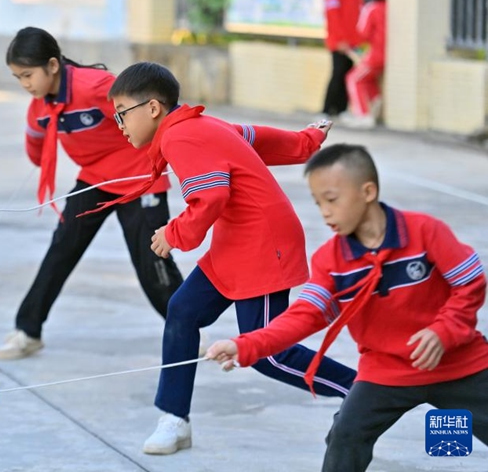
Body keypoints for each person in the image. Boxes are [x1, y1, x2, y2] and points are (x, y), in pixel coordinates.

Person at [92, 62, 356, 455]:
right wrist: (306, 139)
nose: (118, 124)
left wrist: (173, 233)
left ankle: (364, 393)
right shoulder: (201, 125)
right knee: (182, 310)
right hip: (235, 244)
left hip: (265, 246)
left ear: (152, 108)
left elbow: (210, 197)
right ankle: (174, 419)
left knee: (269, 352)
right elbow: (259, 139)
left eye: (121, 113)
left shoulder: (180, 138)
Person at [207, 143, 488, 471]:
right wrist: (245, 345)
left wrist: (444, 331)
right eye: (318, 203)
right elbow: (304, 316)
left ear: (367, 191)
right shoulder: (331, 259)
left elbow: (470, 282)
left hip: (459, 363)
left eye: (332, 199)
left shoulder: (425, 231)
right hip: (385, 370)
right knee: (345, 437)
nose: (324, 212)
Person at [0, 26, 185, 360]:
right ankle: (28, 330)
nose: (25, 84)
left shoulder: (97, 87)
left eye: (28, 75)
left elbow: (151, 107)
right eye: (17, 78)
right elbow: (36, 152)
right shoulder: (39, 107)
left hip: (140, 176)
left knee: (152, 260)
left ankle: (186, 329)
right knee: (61, 249)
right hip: (94, 181)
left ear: (53, 65)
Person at [322, 0, 362, 118]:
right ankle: (328, 109)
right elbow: (332, 14)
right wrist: (339, 40)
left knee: (346, 71)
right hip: (339, 41)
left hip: (352, 40)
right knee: (338, 72)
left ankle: (341, 109)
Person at [344, 0, 386, 128]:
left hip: (375, 55)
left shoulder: (372, 8)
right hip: (390, 56)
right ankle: (376, 102)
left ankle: (363, 115)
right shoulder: (392, 8)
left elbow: (363, 33)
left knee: (353, 79)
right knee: (367, 78)